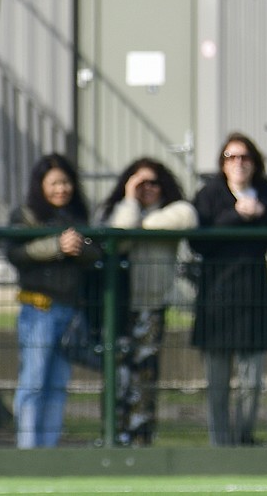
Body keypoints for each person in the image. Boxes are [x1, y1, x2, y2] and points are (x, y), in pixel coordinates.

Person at [190, 133, 267, 447]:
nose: (239, 163)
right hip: (216, 300)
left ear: (254, 162)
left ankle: (244, 439)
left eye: (245, 157)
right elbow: (198, 242)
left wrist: (261, 216)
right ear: (222, 163)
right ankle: (220, 445)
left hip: (254, 298)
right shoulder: (208, 195)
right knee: (217, 384)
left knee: (252, 382)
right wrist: (235, 216)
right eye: (231, 157)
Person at [99, 157, 197, 447]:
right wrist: (130, 202)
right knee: (116, 376)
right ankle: (113, 438)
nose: (148, 188)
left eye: (154, 182)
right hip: (117, 308)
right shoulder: (118, 211)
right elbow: (119, 238)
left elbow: (187, 218)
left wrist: (141, 222)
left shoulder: (174, 211)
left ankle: (142, 439)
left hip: (151, 307)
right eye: (141, 183)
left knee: (144, 378)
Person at [3, 154, 97, 449]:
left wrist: (80, 247)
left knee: (57, 384)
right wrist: (57, 246)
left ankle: (50, 449)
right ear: (40, 185)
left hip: (70, 312)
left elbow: (96, 253)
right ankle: (29, 450)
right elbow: (17, 252)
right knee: (33, 381)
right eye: (55, 183)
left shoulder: (78, 218)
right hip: (38, 310)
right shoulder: (26, 214)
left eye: (66, 182)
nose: (62, 189)